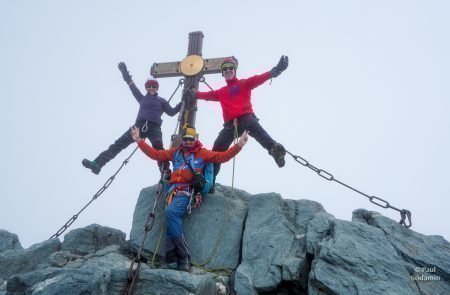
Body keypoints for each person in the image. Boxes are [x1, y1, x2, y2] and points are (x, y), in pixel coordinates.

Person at [131, 125, 249, 272]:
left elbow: (221, 157)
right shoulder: (176, 153)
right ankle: (171, 259)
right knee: (172, 219)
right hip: (173, 192)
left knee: (171, 213)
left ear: (195, 139)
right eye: (185, 139)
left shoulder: (202, 153)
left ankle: (184, 256)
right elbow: (156, 154)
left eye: (190, 139)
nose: (187, 142)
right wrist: (138, 140)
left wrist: (239, 145)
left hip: (188, 192)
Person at [192, 55, 289, 191]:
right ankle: (210, 181)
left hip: (246, 118)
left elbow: (258, 79)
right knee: (217, 148)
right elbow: (208, 95)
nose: (228, 70)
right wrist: (194, 94)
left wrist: (275, 71)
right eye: (225, 69)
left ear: (235, 70)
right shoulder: (221, 92)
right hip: (230, 126)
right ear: (222, 73)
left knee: (253, 126)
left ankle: (274, 150)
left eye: (231, 68)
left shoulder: (243, 83)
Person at [82, 62, 182, 174]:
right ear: (146, 88)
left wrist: (182, 102)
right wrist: (125, 74)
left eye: (153, 86)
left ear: (157, 88)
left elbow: (172, 112)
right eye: (149, 86)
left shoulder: (162, 101)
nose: (151, 88)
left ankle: (165, 171)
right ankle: (97, 164)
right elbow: (132, 86)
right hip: (138, 126)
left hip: (154, 127)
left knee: (158, 148)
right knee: (119, 144)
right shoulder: (142, 98)